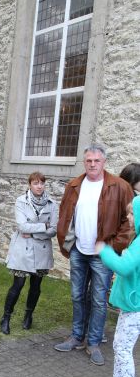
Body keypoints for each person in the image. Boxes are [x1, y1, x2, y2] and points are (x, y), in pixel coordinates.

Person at [55, 144, 133, 365]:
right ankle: (77, 336)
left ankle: (94, 342)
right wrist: (66, 242)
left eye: (96, 161)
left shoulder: (120, 186)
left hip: (103, 255)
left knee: (99, 300)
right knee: (77, 295)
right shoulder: (74, 185)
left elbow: (129, 221)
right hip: (79, 250)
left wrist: (113, 247)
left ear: (104, 162)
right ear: (84, 162)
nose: (92, 164)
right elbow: (64, 215)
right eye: (88, 160)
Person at [91, 196, 140, 377]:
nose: (129, 217)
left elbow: (125, 267)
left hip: (135, 309)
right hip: (130, 307)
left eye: (131, 214)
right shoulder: (137, 240)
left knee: (123, 350)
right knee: (119, 346)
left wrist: (104, 250)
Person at [0, 172, 57, 334]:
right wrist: (42, 227)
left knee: (36, 286)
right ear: (29, 185)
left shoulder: (52, 204)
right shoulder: (21, 201)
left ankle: (28, 316)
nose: (39, 186)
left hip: (42, 251)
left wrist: (33, 231)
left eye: (42, 183)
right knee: (17, 284)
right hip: (23, 249)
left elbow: (53, 230)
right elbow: (21, 226)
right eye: (36, 183)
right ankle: (6, 318)